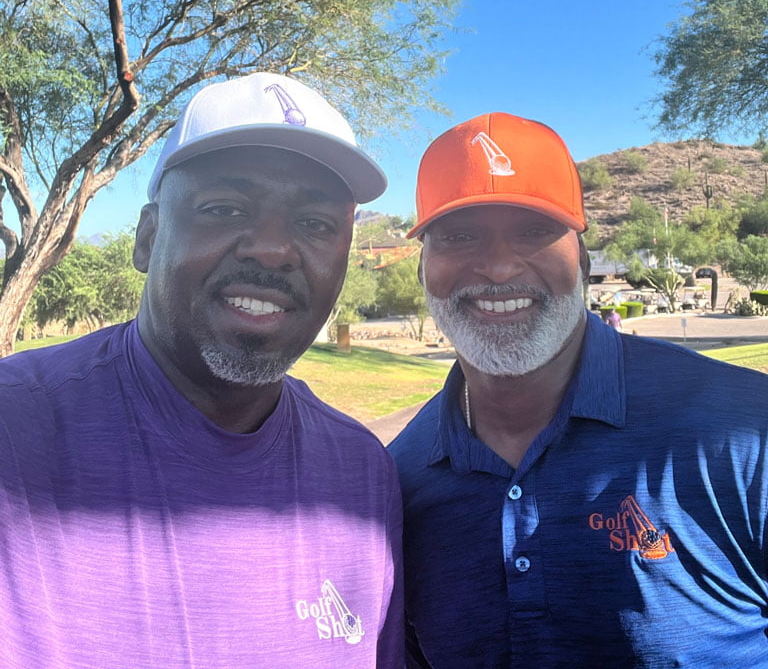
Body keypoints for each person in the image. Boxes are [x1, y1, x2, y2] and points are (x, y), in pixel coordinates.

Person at [0, 73, 403, 669]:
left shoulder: (362, 474)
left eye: (315, 225)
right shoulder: (15, 431)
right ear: (147, 236)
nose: (272, 249)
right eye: (224, 208)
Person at [389, 111, 768, 668]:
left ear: (584, 261)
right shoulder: (399, 476)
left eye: (535, 231)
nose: (497, 266)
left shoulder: (744, 430)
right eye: (460, 235)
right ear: (424, 270)